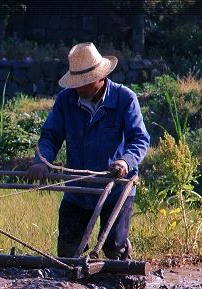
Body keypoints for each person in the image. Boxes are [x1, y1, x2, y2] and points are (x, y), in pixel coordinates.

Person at [28, 42, 150, 260]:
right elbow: (51, 136)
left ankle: (120, 275)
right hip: (78, 188)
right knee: (68, 251)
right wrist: (41, 161)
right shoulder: (66, 100)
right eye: (75, 83)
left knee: (114, 248)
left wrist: (125, 162)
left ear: (99, 78)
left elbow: (139, 139)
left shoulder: (124, 99)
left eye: (83, 83)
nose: (78, 88)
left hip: (116, 187)